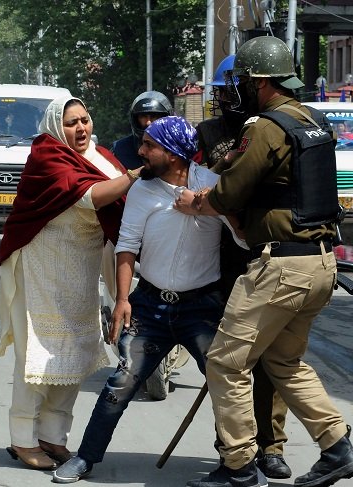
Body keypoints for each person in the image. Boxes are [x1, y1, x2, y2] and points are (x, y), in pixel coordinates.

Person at [177, 36, 353, 487]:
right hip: (319, 264)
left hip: (280, 267)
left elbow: (229, 192)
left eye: (242, 81)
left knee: (225, 361)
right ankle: (336, 447)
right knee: (284, 362)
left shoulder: (266, 126)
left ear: (260, 82)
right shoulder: (311, 120)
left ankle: (238, 466)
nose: (236, 89)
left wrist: (195, 200)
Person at [52, 116, 248, 484]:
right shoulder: (142, 190)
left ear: (173, 155)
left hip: (202, 308)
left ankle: (235, 463)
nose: (140, 151)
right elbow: (126, 245)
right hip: (150, 306)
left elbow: (242, 240)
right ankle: (85, 457)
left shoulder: (212, 187)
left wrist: (210, 207)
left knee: (225, 387)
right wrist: (122, 299)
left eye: (148, 145)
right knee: (121, 383)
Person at [0, 95, 139, 470]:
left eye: (84, 120)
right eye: (71, 122)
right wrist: (136, 176)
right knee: (37, 354)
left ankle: (53, 437)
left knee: (72, 353)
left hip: (79, 270)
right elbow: (93, 196)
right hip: (42, 267)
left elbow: (125, 203)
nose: (80, 128)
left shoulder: (101, 155)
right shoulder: (47, 156)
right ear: (58, 126)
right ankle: (23, 439)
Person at [196, 54, 293, 481]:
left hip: (271, 255)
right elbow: (195, 182)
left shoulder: (278, 126)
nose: (222, 98)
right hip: (223, 261)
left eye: (228, 87)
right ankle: (232, 449)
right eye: (218, 90)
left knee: (272, 359)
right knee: (229, 362)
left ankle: (271, 446)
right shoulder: (209, 132)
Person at [111, 90, 172, 169]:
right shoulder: (120, 149)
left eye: (154, 116)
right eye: (143, 116)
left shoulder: (178, 147)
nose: (148, 122)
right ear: (135, 119)